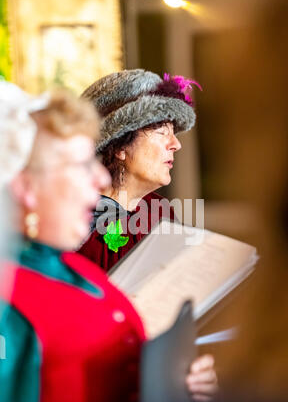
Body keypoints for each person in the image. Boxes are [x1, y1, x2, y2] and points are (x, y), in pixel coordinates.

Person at [0, 83, 217, 402]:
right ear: (26, 185)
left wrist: (180, 381)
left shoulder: (78, 270)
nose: (99, 178)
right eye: (80, 164)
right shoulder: (11, 293)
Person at [78, 69, 200, 272]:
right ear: (119, 146)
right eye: (161, 130)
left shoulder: (158, 208)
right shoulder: (75, 223)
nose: (175, 144)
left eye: (173, 131)